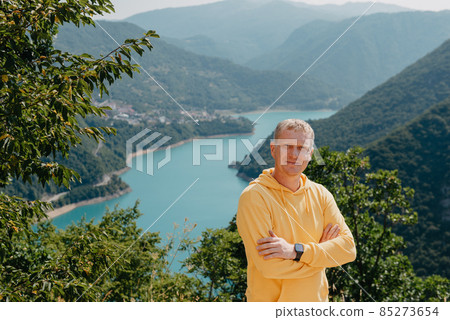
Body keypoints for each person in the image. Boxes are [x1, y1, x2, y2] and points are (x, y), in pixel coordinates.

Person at [236, 119, 356, 302]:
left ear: (310, 153)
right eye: (287, 146)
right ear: (273, 150)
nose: (294, 154)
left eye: (301, 148)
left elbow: (348, 249)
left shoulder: (321, 195)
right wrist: (323, 257)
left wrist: (294, 251)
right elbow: (270, 268)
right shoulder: (254, 197)